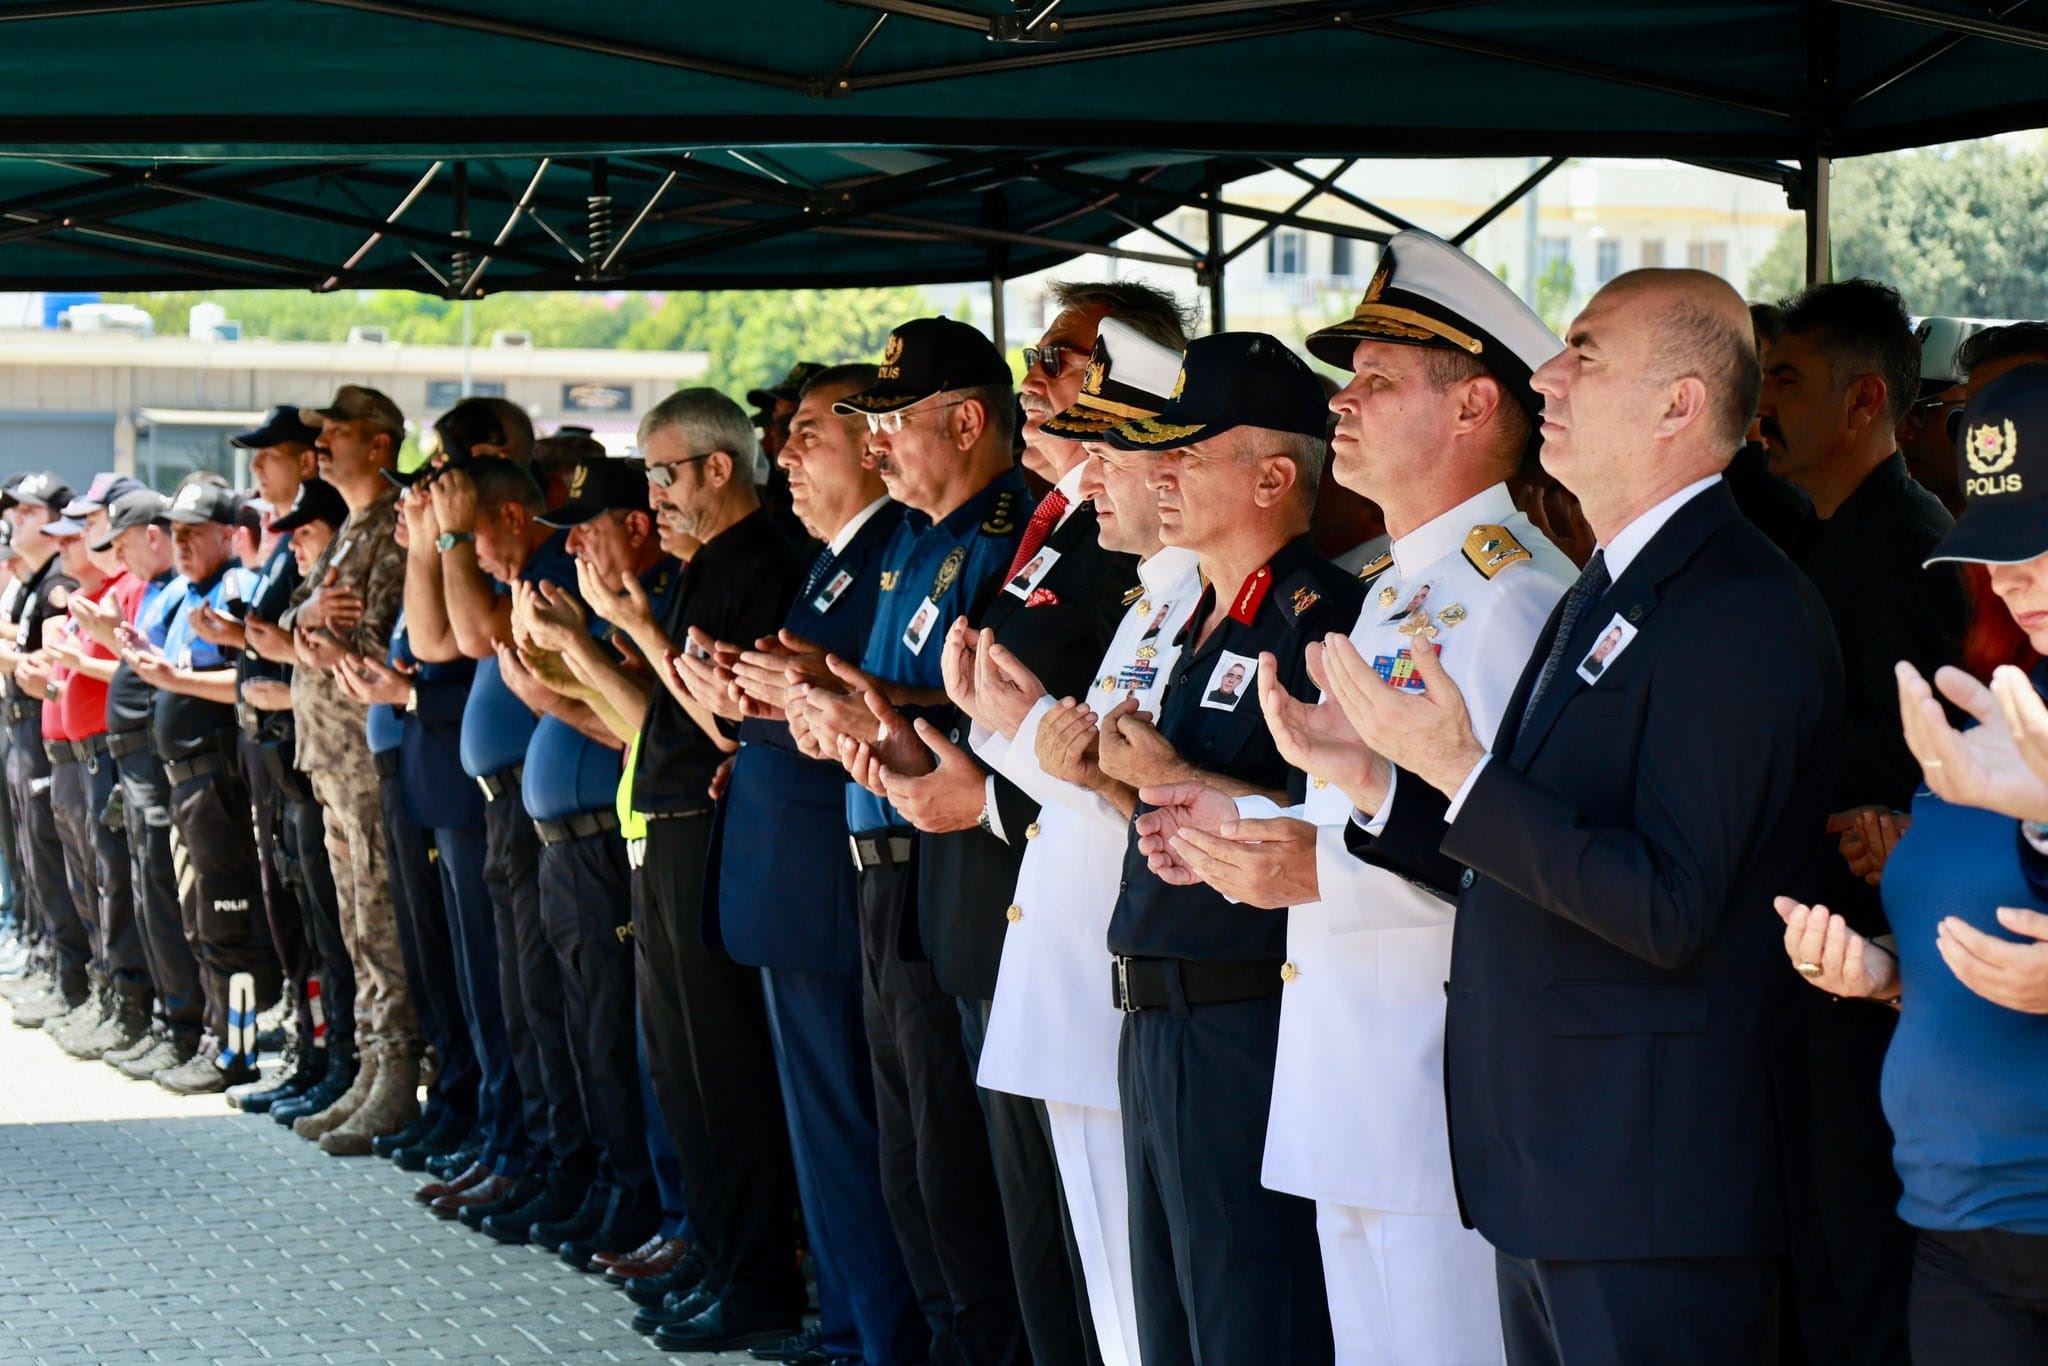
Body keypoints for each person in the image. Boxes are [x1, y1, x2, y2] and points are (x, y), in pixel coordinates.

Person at [1328, 268, 1841, 1363]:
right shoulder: (1605, 585)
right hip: (1563, 1171)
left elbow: (1667, 902)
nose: (1547, 376)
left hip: (1653, 1187)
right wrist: (1383, 783)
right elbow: (1527, 856)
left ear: (1679, 404)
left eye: (1584, 354)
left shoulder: (1736, 605)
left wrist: (1459, 771)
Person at [1143, 227, 1576, 1365]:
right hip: (1357, 1070)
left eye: (1376, 382)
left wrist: (1312, 860)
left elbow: (1517, 854)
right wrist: (1252, 831)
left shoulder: (1512, 592)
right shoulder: (1398, 587)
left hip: (1437, 1081)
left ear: (1474, 406)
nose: (1342, 402)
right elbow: (1373, 806)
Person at [1084, 331, 1365, 1366]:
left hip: (1244, 1012)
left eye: (1185, 453)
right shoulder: (1193, 617)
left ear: (1272, 477)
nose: (1159, 473)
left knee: (1248, 1314)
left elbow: (1338, 823)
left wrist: (1176, 774)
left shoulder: (1320, 618)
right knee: (1173, 1323)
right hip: (1154, 1007)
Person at [1781, 361, 2048, 1362]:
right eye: (1996, 549)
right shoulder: (1993, 700)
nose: (2012, 575)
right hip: (1954, 1223)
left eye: (2039, 542)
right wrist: (1887, 971)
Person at [792, 316, 1030, 1366]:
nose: (876, 445)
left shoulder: (1007, 531)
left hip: (954, 859)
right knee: (906, 1152)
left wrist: (859, 702)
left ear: (968, 420)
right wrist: (827, 704)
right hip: (881, 863)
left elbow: (985, 704)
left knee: (951, 1151)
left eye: (894, 422)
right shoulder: (913, 539)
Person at [965, 312, 1197, 1366]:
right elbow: (1081, 776)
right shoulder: (1155, 602)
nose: (1088, 476)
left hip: (1143, 973)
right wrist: (1019, 725)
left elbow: (1145, 795)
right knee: (1109, 1291)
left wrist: (1030, 736)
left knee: (1147, 1302)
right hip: (1080, 966)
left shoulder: (1191, 605)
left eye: (1113, 452)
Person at [1760, 278, 1968, 1364]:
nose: (1763, 402)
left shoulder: (1913, 545)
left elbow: (1935, 748)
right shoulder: (1810, 534)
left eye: (1787, 379)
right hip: (1812, 951)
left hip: (1879, 951)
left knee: (1860, 1256)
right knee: (1817, 1250)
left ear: (1863, 400)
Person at [707, 362, 926, 1366]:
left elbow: (869, 705)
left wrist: (787, 696)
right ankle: (847, 1323)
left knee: (852, 1127)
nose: (784, 454)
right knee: (825, 1132)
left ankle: (873, 1333)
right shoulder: (834, 556)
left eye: (807, 433)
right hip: (793, 866)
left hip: (834, 874)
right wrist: (756, 706)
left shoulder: (888, 547)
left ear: (873, 445)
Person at [600, 387, 806, 1353]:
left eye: (665, 473)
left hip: (709, 826)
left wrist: (634, 623)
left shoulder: (759, 561)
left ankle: (756, 1284)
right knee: (684, 1072)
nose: (655, 496)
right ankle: (722, 1263)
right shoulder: (705, 565)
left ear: (718, 469)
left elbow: (723, 718)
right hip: (675, 823)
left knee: (723, 1075)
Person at [279, 384, 419, 1151]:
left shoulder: (392, 529)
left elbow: (382, 644)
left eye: (338, 432)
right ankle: (370, 1062)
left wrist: (320, 635)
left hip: (367, 754)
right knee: (355, 923)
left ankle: (396, 1070)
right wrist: (307, 623)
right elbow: (300, 621)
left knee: (380, 918)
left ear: (380, 443)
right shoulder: (348, 531)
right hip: (330, 755)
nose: (322, 444)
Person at [119, 480, 280, 1095]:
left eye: (194, 533)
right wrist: (143, 658)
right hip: (184, 780)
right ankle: (213, 1036)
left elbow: (246, 679)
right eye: (177, 533)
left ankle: (234, 1051)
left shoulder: (235, 590)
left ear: (225, 535)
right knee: (198, 919)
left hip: (218, 780)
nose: (182, 545)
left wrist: (173, 679)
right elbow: (172, 670)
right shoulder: (191, 593)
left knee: (226, 920)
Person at [86, 490, 206, 1081]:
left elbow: (171, 670)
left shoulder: (180, 591)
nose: (122, 558)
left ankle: (184, 1025)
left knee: (164, 890)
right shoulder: (161, 592)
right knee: (144, 890)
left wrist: (117, 641)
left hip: (164, 767)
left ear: (150, 535)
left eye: (126, 544)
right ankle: (166, 1019)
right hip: (135, 763)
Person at [42, 481, 155, 1062]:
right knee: (93, 882)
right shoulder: (98, 595)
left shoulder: (126, 590)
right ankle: (108, 992)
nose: (74, 541)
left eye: (86, 527)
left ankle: (134, 1003)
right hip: (81, 754)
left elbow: (140, 672)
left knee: (120, 883)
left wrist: (75, 657)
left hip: (114, 751)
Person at [1, 471, 90, 1031]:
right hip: (27, 726)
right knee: (32, 853)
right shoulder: (38, 581)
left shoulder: (58, 582)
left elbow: (47, 668)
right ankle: (47, 956)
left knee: (57, 859)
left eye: (30, 512)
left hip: (42, 724)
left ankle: (72, 975)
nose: (15, 519)